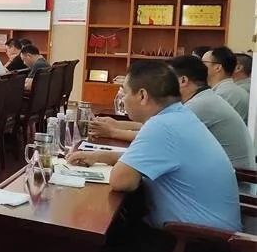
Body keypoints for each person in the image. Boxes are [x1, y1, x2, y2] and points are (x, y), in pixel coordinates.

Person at [67, 62, 241, 252]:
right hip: (214, 244)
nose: (122, 99)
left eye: (125, 92)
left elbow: (122, 181)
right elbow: (152, 159)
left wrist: (112, 163)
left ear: (142, 95)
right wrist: (102, 156)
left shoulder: (161, 126)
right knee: (118, 231)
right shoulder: (178, 116)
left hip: (196, 249)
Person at [90, 56, 255, 170]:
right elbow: (152, 128)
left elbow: (154, 134)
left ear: (183, 81)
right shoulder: (198, 100)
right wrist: (118, 124)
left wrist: (113, 132)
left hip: (239, 181)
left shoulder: (199, 105)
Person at [203, 46, 249, 122]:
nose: (199, 67)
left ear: (217, 67)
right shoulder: (226, 90)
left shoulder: (224, 94)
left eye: (203, 63)